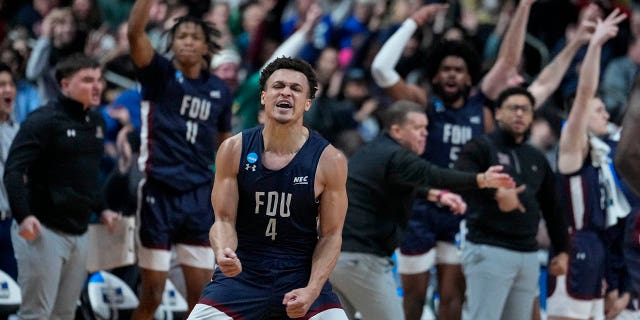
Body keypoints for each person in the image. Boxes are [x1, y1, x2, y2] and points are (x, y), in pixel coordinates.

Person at [187, 57, 349, 319]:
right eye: (278, 86)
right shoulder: (233, 148)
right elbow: (224, 219)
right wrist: (223, 252)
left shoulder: (330, 160)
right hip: (244, 273)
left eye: (296, 89)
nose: (286, 92)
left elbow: (331, 235)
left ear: (307, 103)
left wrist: (312, 289)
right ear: (263, 97)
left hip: (299, 272)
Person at [329, 99, 516, 320]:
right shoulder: (398, 156)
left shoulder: (375, 150)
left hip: (337, 258)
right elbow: (434, 174)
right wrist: (482, 179)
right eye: (417, 128)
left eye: (426, 128)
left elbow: (401, 181)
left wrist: (434, 194)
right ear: (397, 130)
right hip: (362, 260)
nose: (424, 133)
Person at [127, 0, 233, 317]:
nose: (187, 41)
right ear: (171, 44)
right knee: (153, 293)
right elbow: (134, 33)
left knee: (201, 299)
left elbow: (224, 147)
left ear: (205, 46)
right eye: (181, 36)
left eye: (194, 36)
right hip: (158, 190)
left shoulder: (219, 90)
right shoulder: (159, 74)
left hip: (198, 195)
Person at [3, 54, 119, 320]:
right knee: (35, 314)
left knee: (65, 314)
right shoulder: (42, 120)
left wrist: (102, 209)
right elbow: (13, 170)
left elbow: (88, 177)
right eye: (88, 80)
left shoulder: (97, 123)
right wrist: (24, 215)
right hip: (43, 229)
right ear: (65, 85)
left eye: (99, 80)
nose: (97, 86)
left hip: (79, 233)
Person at [454, 87, 570, 320]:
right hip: (489, 249)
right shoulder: (480, 147)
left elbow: (553, 208)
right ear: (497, 114)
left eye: (525, 110)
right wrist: (495, 192)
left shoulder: (536, 157)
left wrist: (564, 249)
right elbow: (460, 179)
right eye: (513, 108)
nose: (519, 114)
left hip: (528, 254)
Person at [548, 9, 628, 320]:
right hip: (574, 243)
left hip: (598, 247)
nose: (604, 114)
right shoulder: (573, 145)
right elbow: (583, 95)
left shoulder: (603, 153)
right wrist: (594, 46)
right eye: (598, 110)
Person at [0, 63, 19, 281]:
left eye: (11, 84)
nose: (8, 89)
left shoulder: (19, 132)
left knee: (11, 297)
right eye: (1, 85)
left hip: (11, 224)